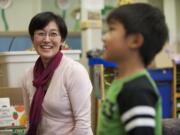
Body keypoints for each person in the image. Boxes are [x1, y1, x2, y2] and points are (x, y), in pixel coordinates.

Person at [97, 3, 168, 135]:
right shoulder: (123, 82)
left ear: (135, 40)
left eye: (112, 29)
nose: (104, 37)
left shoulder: (137, 90)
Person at [21, 11, 93, 135]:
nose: (47, 39)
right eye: (41, 33)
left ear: (62, 40)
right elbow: (29, 121)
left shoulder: (74, 71)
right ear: (33, 39)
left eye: (53, 34)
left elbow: (83, 125)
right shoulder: (28, 75)